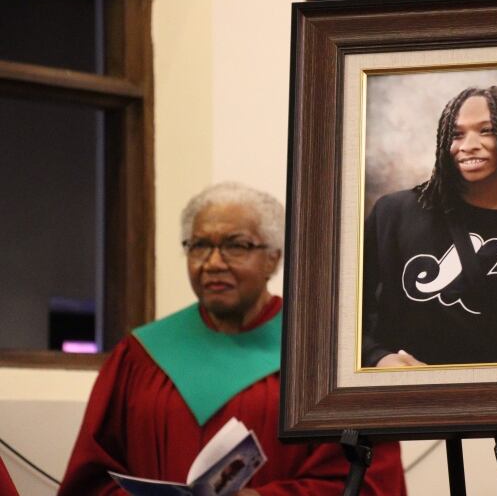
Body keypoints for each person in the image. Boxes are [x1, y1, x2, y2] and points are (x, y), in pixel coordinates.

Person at [59, 182, 406, 495]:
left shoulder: (323, 355)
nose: (212, 263)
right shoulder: (140, 355)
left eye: (235, 246)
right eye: (199, 246)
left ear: (274, 258)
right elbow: (90, 481)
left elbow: (368, 482)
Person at [362, 86, 497, 368]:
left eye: (487, 130)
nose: (469, 144)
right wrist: (378, 358)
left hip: (493, 405)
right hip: (397, 399)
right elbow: (345, 310)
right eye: (457, 134)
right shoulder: (393, 213)